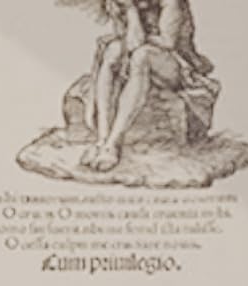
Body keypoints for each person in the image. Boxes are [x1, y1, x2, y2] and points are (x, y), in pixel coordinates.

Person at [86, 0, 218, 173]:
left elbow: (166, 42)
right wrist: (129, 12)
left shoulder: (171, 3)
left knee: (142, 55)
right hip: (143, 53)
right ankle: (102, 139)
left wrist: (132, 13)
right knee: (113, 49)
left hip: (177, 65)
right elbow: (127, 39)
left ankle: (113, 144)